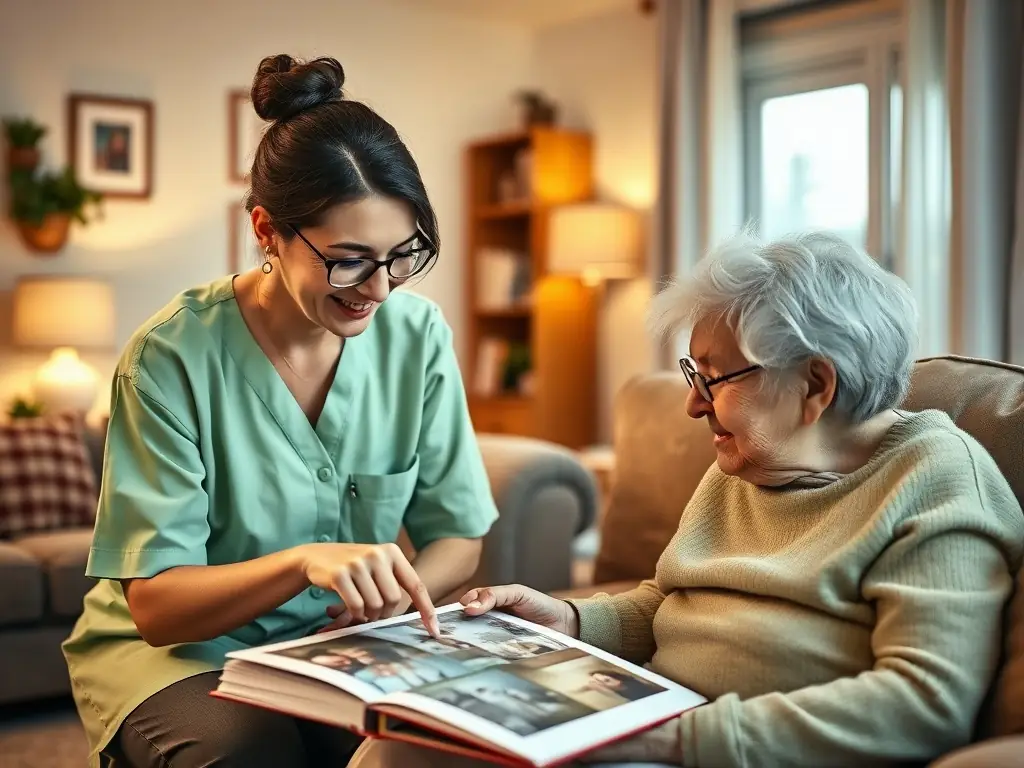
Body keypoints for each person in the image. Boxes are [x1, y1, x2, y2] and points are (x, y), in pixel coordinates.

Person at [348, 229, 1024, 768]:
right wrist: (571, 620)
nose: (693, 403)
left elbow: (924, 704)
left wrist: (676, 739)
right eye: (693, 373)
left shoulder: (931, 480)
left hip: (730, 749)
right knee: (399, 745)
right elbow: (671, 602)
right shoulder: (746, 464)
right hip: (653, 723)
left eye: (717, 377)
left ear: (816, 384)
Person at [62, 53, 497, 768]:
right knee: (251, 753)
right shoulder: (169, 360)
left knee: (438, 747)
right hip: (179, 656)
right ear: (267, 231)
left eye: (403, 255)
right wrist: (302, 563)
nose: (380, 289)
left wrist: (392, 600)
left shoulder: (418, 338)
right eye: (350, 259)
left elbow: (458, 539)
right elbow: (158, 607)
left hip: (337, 648)